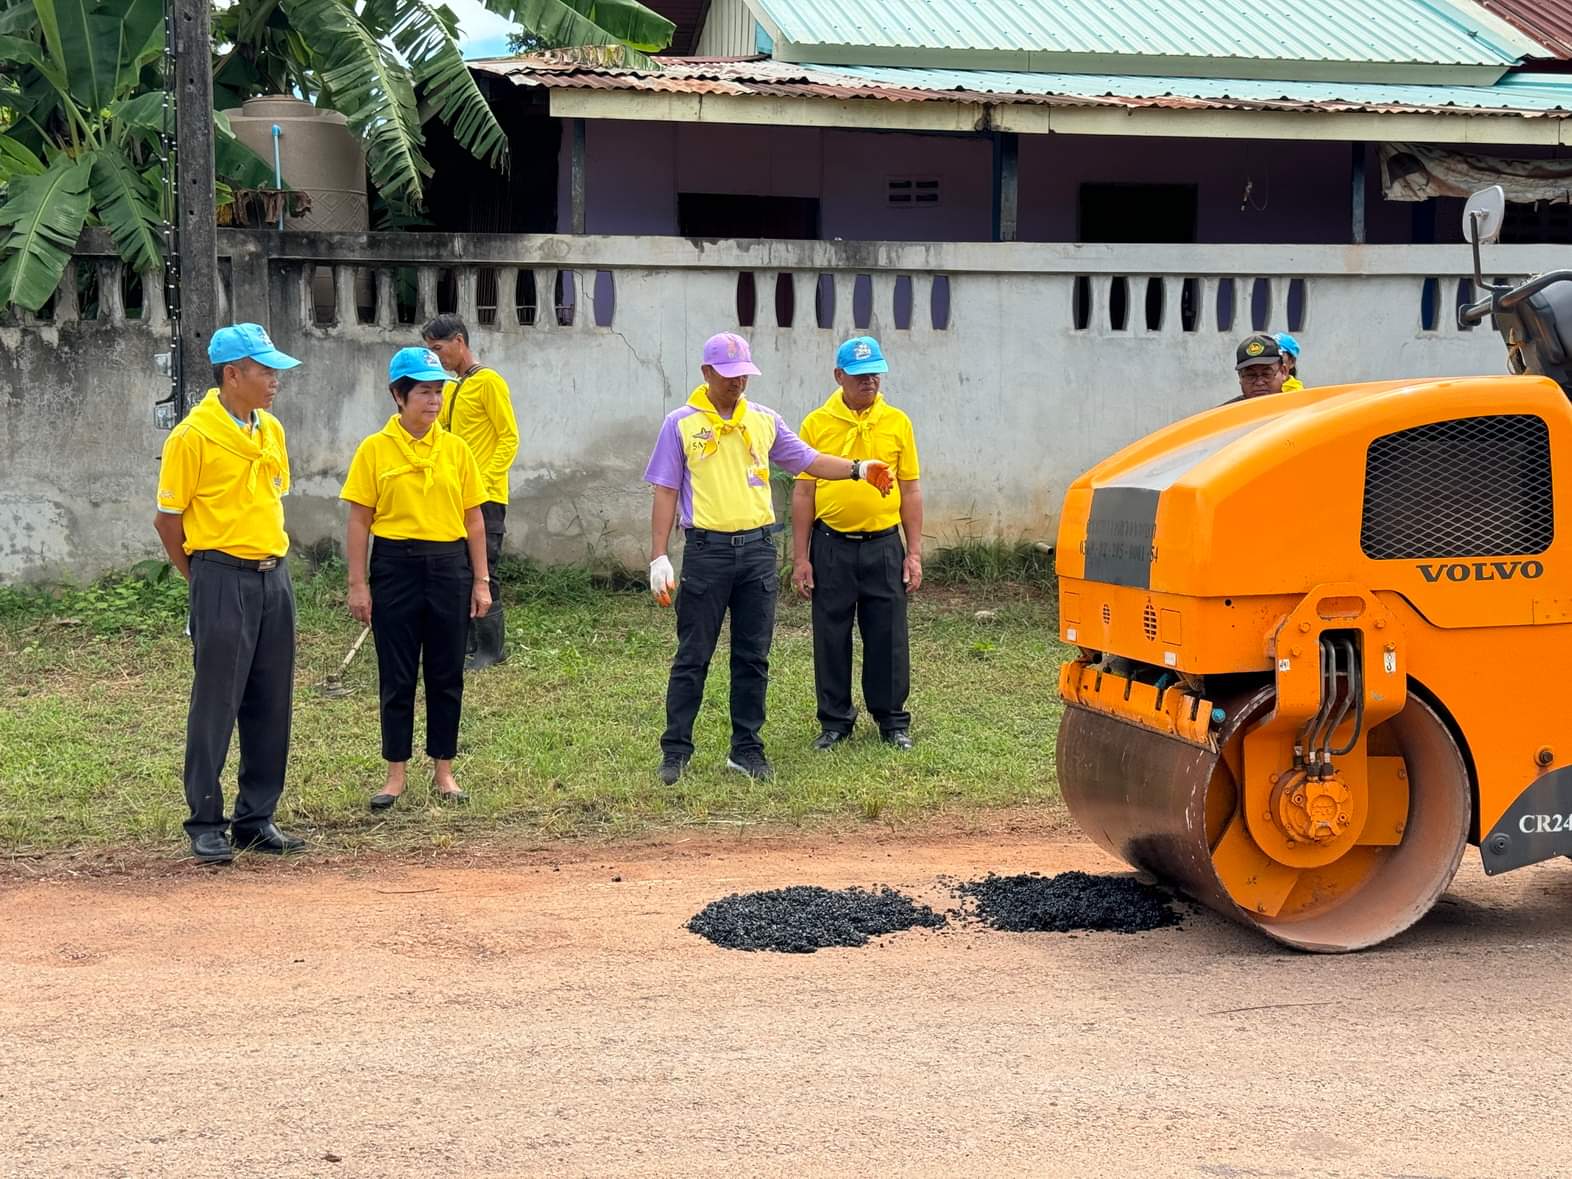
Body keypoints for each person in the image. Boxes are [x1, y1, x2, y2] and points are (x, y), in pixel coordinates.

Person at [644, 331, 893, 786]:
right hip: (707, 552)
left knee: (753, 656)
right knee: (693, 655)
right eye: (728, 375)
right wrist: (659, 555)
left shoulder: (763, 420)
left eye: (743, 375)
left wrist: (858, 468)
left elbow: (808, 460)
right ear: (706, 373)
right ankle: (676, 749)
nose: (737, 383)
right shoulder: (680, 424)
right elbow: (665, 489)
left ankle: (746, 748)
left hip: (757, 552)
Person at [153, 323, 306, 864]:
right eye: (266, 370)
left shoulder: (270, 430)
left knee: (271, 700)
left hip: (273, 576)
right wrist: (201, 579)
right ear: (233, 374)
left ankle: (256, 818)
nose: (276, 380)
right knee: (216, 702)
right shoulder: (191, 437)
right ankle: (205, 821)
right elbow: (168, 520)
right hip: (220, 575)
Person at [341, 347, 491, 810]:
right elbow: (359, 521)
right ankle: (395, 775)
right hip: (395, 567)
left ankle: (444, 770)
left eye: (439, 391)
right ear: (398, 396)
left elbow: (474, 520)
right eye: (424, 391)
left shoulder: (456, 449)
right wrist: (358, 584)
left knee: (446, 673)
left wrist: (481, 580)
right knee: (397, 673)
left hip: (448, 568)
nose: (434, 400)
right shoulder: (374, 449)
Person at [790, 336, 923, 751]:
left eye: (875, 374)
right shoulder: (817, 423)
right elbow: (804, 492)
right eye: (860, 375)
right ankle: (835, 720)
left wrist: (914, 552)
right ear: (839, 376)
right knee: (831, 634)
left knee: (888, 635)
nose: (870, 382)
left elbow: (911, 489)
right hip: (832, 545)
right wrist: (801, 558)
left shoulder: (897, 422)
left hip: (884, 545)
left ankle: (892, 720)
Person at [421, 314, 519, 670]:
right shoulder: (450, 387)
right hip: (454, 495)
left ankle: (492, 648)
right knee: (459, 568)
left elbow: (508, 437)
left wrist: (485, 481)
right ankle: (466, 642)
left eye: (438, 348)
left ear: (459, 341)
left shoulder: (489, 382)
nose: (436, 356)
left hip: (486, 497)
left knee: (484, 567)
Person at [1233, 333, 1292, 400]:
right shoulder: (1231, 406)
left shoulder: (1299, 404)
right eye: (1250, 375)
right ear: (1240, 377)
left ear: (1284, 372)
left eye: (1266, 374)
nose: (1259, 382)